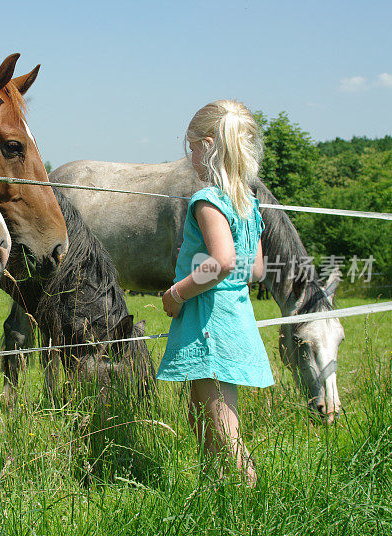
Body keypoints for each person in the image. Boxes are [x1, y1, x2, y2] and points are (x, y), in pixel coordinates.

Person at [159, 99, 273, 486]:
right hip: (235, 318)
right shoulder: (249, 203)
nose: (190, 155)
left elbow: (222, 261)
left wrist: (179, 291)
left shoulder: (208, 200)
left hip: (208, 322)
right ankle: (214, 493)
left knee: (222, 425)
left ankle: (249, 492)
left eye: (192, 147)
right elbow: (254, 269)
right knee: (204, 412)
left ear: (208, 145)